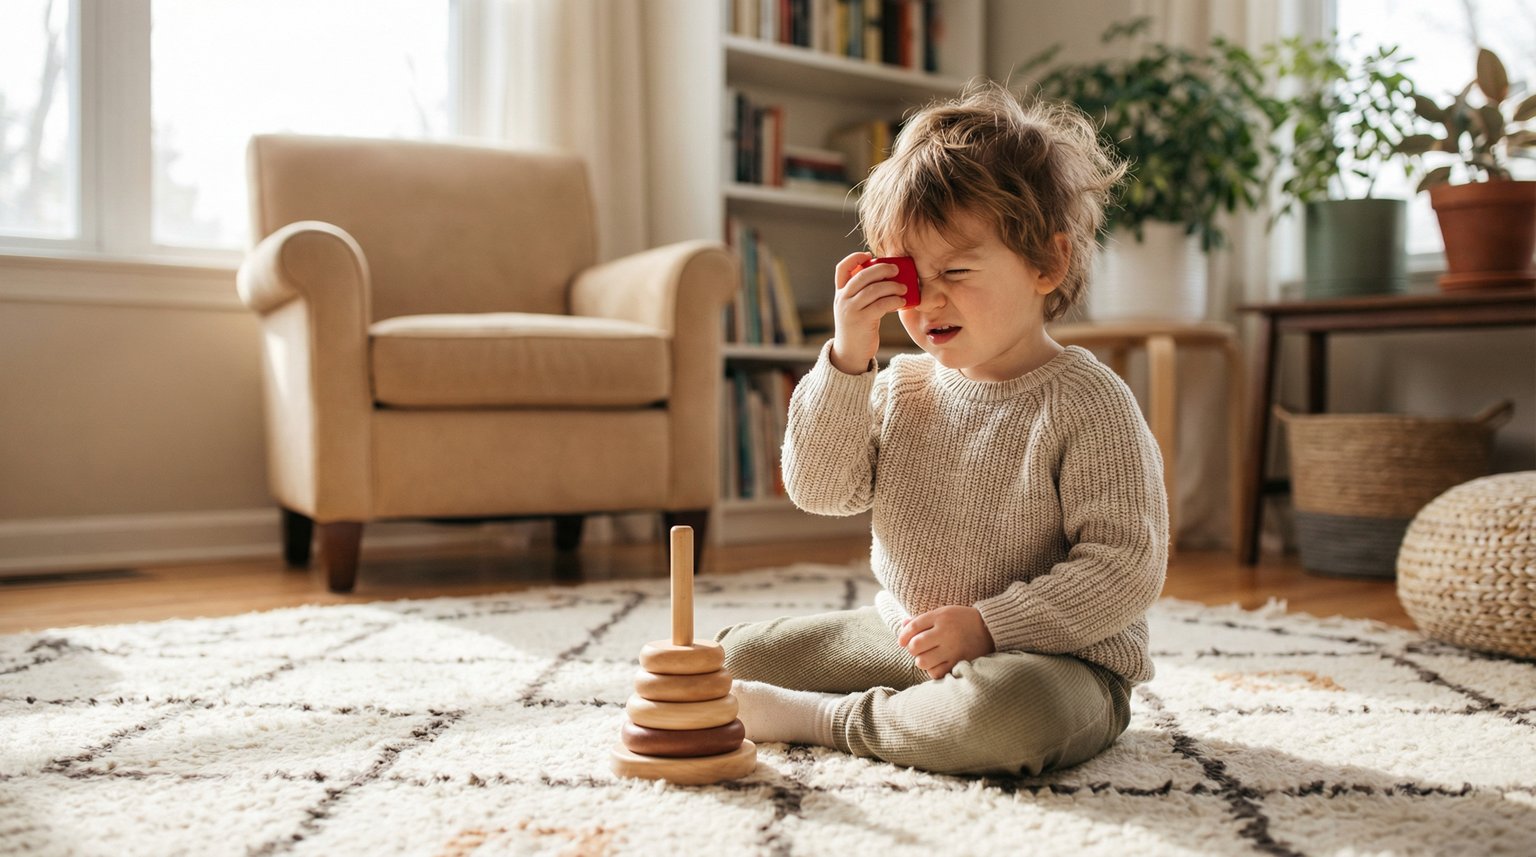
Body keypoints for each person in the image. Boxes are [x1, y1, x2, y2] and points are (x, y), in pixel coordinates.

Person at [713, 81, 1168, 777]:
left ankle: (828, 721)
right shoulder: (899, 384)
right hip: (911, 637)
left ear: (1048, 263)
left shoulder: (1088, 399)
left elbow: (1124, 568)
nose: (927, 301)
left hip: (1057, 661)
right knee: (727, 659)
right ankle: (911, 706)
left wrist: (990, 627)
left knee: (1003, 718)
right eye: (907, 277)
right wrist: (848, 356)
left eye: (955, 270)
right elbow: (819, 489)